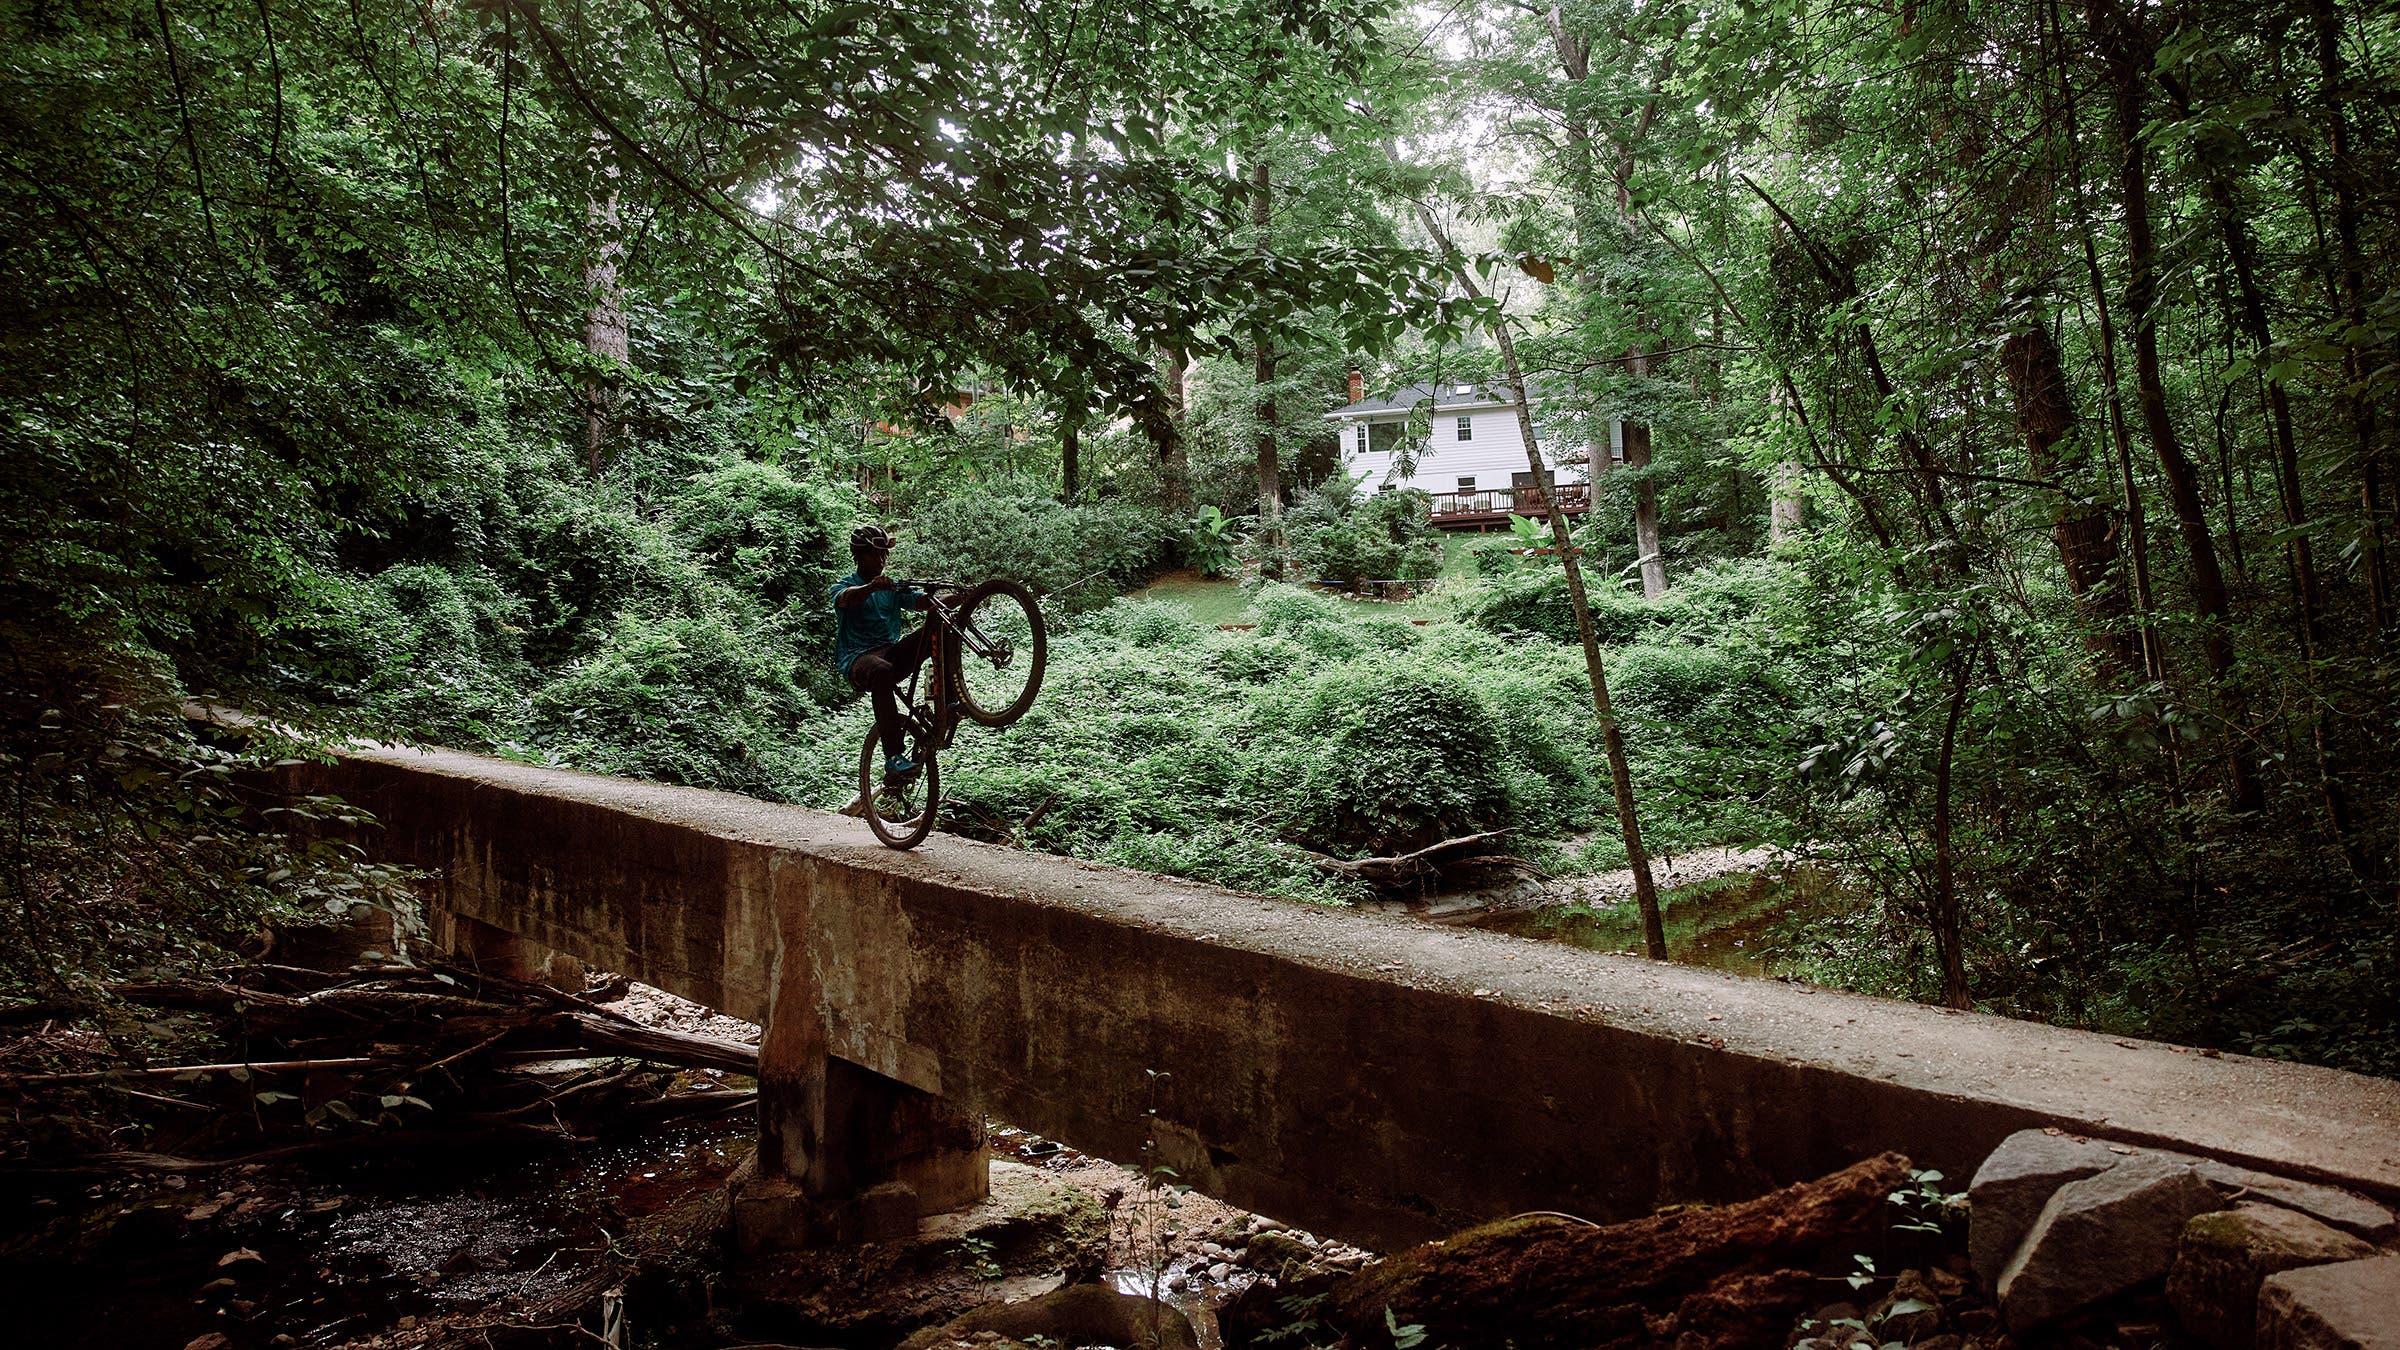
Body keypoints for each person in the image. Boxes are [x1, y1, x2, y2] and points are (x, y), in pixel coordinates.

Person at [830, 524, 931, 786]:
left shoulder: (891, 587)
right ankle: (893, 756)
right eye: (875, 554)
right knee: (881, 670)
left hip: (891, 654)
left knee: (936, 627)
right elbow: (847, 598)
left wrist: (966, 596)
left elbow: (922, 602)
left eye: (884, 554)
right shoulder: (844, 586)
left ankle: (952, 700)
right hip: (858, 660)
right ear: (859, 556)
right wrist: (872, 588)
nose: (881, 560)